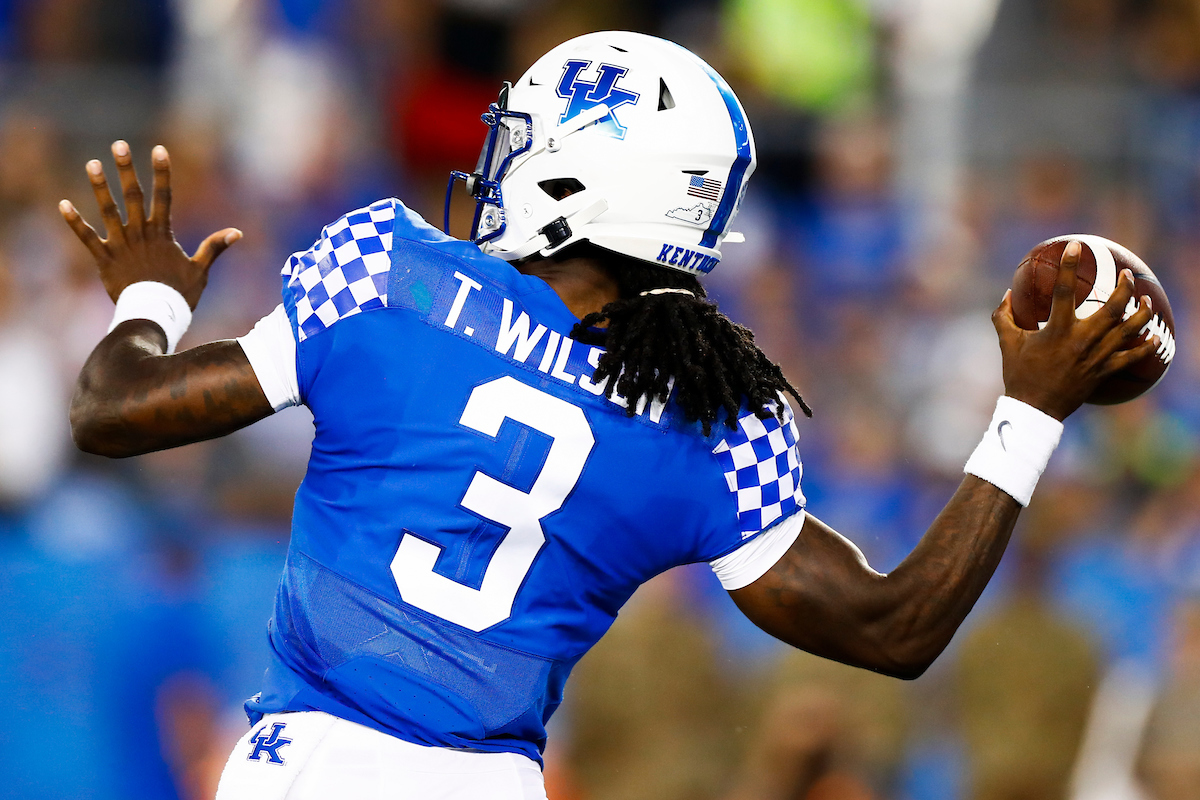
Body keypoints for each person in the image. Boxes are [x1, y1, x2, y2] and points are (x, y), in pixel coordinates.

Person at [63, 31, 1158, 800]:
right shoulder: (709, 415)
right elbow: (896, 629)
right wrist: (1032, 408)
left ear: (571, 179)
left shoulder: (389, 275)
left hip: (306, 767)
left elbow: (112, 411)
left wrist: (150, 294)